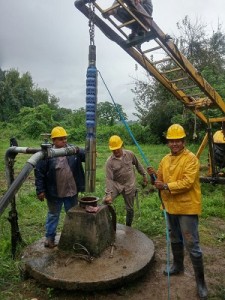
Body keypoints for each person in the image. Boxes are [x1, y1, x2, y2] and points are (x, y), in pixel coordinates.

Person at [147, 124, 208, 299]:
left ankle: (201, 283)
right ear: (168, 142)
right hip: (170, 206)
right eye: (171, 141)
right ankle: (177, 266)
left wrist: (165, 185)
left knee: (192, 245)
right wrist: (154, 178)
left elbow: (187, 182)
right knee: (174, 238)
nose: (174, 144)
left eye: (178, 140)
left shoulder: (191, 159)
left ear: (183, 141)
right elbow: (159, 180)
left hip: (187, 207)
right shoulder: (165, 159)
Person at [34, 126, 85, 248]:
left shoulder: (73, 150)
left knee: (72, 214)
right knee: (53, 215)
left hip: (71, 192)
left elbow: (85, 155)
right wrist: (40, 190)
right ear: (54, 141)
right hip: (54, 193)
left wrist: (91, 152)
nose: (64, 141)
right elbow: (39, 173)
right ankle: (50, 238)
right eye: (61, 139)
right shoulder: (47, 154)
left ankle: (74, 237)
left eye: (65, 138)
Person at [103, 135, 148, 227]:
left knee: (130, 209)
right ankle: (105, 224)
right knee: (104, 202)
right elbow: (109, 179)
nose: (116, 151)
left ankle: (128, 227)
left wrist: (144, 175)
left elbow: (138, 165)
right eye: (113, 150)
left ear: (122, 145)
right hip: (116, 184)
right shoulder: (109, 162)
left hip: (129, 185)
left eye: (117, 149)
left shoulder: (130, 154)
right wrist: (108, 194)